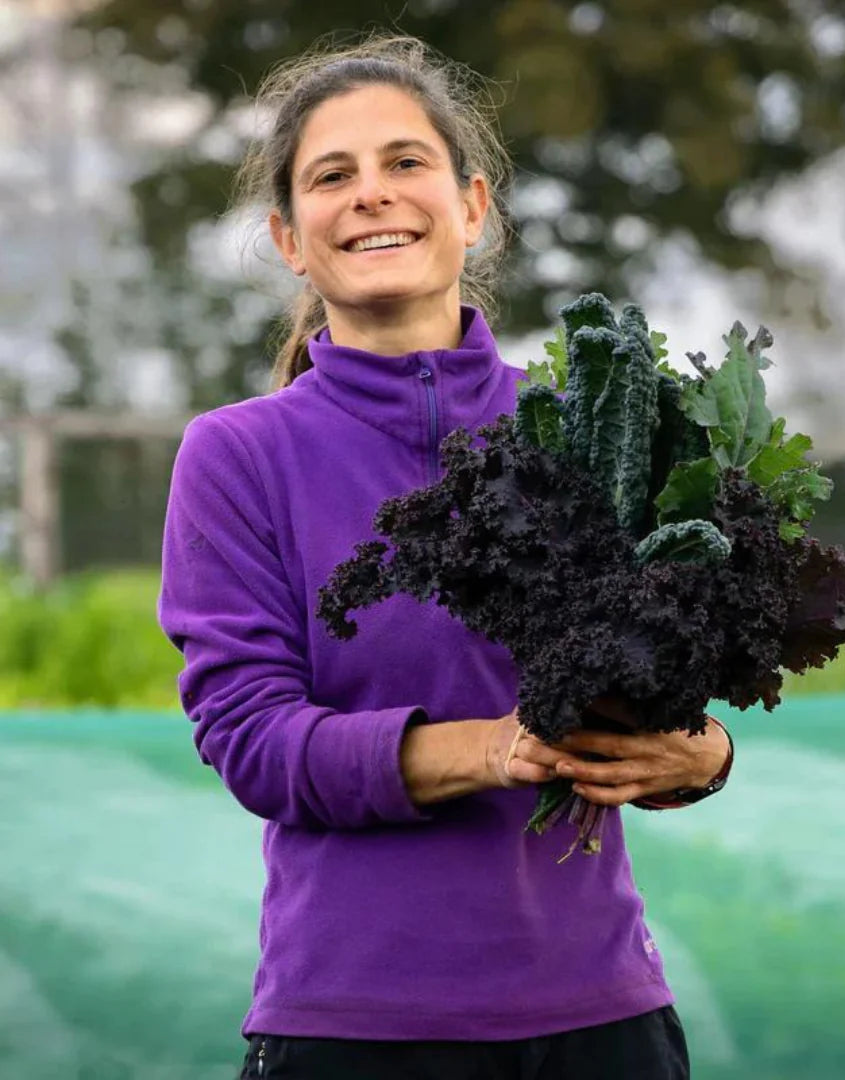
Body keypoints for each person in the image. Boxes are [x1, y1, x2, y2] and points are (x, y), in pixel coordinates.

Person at [157, 31, 733, 1080]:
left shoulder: (585, 425)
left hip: (601, 1018)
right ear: (291, 237)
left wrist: (703, 759)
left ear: (472, 207)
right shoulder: (238, 454)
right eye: (334, 176)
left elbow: (678, 675)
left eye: (405, 163)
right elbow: (251, 737)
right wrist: (491, 749)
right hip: (351, 1027)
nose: (372, 194)